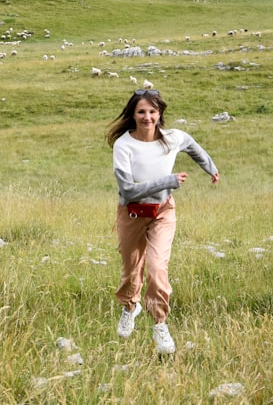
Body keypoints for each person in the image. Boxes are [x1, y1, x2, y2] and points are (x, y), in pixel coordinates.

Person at [105, 88, 220, 354]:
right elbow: (128, 190)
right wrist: (168, 181)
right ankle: (130, 307)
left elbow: (194, 148)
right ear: (133, 115)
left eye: (152, 112)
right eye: (141, 112)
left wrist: (211, 169)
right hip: (132, 213)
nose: (147, 117)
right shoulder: (124, 145)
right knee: (131, 272)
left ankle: (159, 324)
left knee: (157, 268)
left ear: (160, 114)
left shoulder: (173, 138)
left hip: (162, 212)